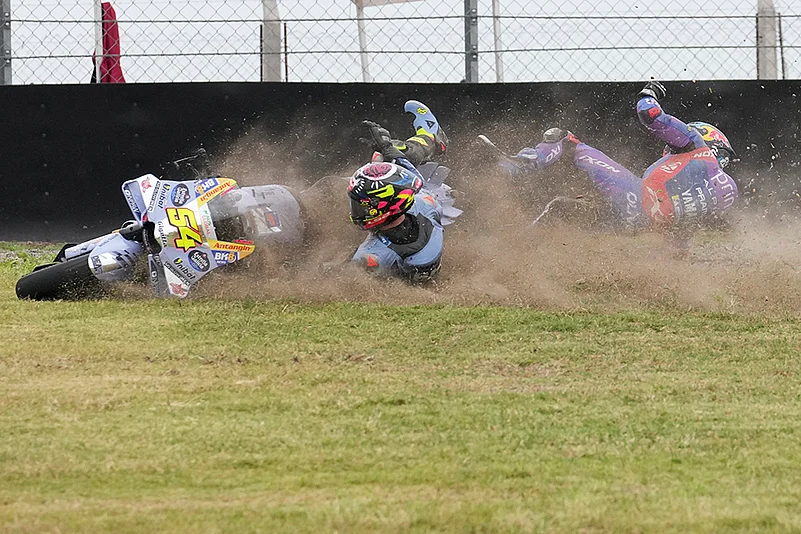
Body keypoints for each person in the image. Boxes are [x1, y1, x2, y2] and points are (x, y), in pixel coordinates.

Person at [478, 80, 739, 228]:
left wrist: (649, 92)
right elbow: (681, 235)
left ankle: (521, 165)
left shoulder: (694, 144)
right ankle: (520, 248)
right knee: (561, 207)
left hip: (633, 196)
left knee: (567, 141)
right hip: (636, 227)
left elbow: (649, 114)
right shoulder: (722, 190)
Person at [348, 100, 459, 282]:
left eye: (363, 205)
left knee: (379, 159)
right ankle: (431, 139)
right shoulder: (426, 204)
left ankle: (427, 141)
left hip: (399, 271)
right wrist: (388, 148)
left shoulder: (372, 256)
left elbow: (343, 281)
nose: (357, 210)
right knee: (385, 158)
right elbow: (412, 179)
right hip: (416, 236)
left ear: (386, 209)